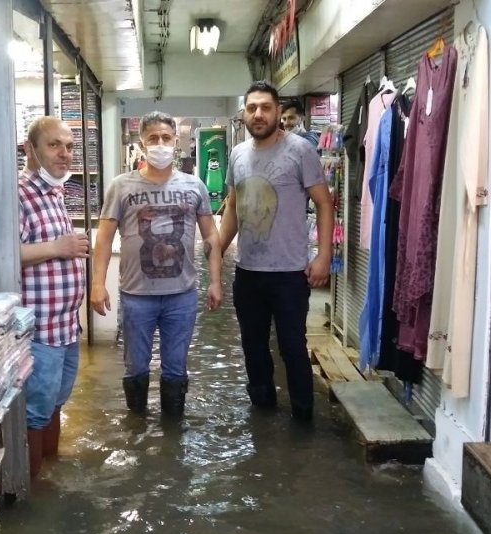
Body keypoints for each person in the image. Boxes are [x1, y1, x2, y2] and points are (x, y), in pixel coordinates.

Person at [91, 111, 222, 416]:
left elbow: (211, 236)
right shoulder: (121, 186)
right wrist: (97, 284)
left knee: (176, 368)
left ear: (175, 142)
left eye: (166, 138)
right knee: (135, 367)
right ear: (142, 144)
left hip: (182, 295)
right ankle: (137, 427)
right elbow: (104, 239)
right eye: (153, 138)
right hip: (136, 296)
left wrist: (215, 281)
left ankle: (172, 432)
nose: (160, 144)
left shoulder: (194, 186)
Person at [220, 80, 334, 421]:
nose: (258, 114)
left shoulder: (301, 151)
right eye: (252, 108)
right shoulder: (238, 154)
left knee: (292, 347)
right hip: (247, 273)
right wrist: (216, 250)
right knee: (253, 347)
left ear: (278, 111)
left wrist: (323, 256)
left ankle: (303, 418)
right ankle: (263, 416)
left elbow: (324, 203)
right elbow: (233, 206)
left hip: (289, 273)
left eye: (265, 107)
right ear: (244, 113)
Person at [19, 116, 88, 477]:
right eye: (54, 145)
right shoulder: (19, 194)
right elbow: (3, 253)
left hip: (66, 327)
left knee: (55, 404)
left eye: (70, 146)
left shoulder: (55, 192)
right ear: (29, 149)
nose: (64, 153)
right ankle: (34, 491)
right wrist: (58, 247)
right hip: (39, 331)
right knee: (35, 412)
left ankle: (51, 474)